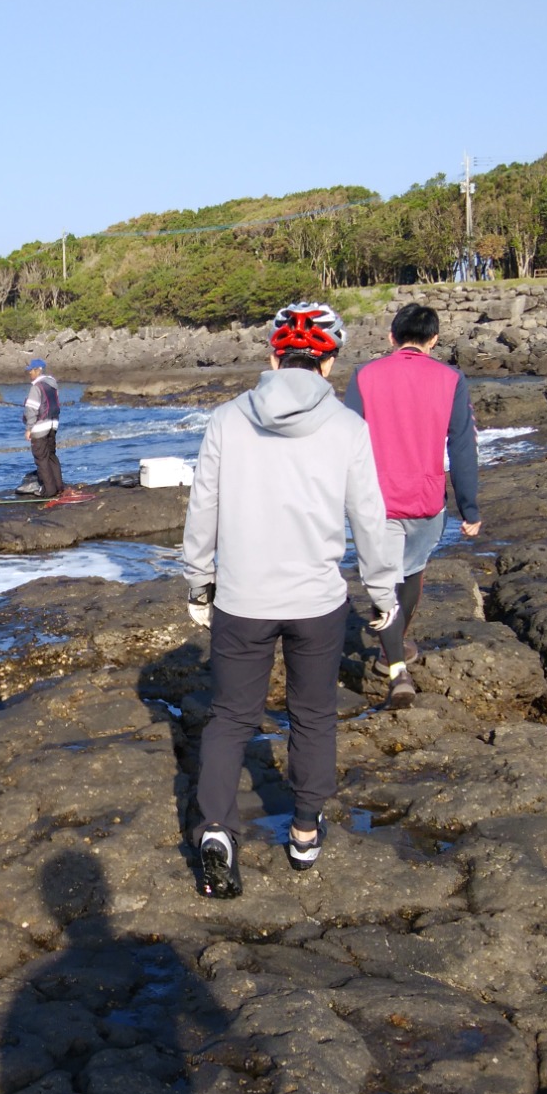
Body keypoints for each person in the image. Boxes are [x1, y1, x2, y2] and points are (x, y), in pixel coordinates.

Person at [182, 302, 401, 899]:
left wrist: (198, 580)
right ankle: (304, 831)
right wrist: (382, 590)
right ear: (329, 364)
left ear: (274, 357)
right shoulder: (348, 427)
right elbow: (370, 518)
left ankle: (216, 830)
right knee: (312, 714)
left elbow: (203, 507)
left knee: (230, 718)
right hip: (317, 602)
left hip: (242, 598)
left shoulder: (227, 419)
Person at [344, 303, 481, 710]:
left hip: (375, 499)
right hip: (426, 498)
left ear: (392, 337)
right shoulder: (451, 378)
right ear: (433, 340)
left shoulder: (364, 375)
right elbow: (463, 447)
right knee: (411, 573)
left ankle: (396, 665)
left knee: (382, 579)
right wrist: (470, 508)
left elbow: (345, 439)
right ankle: (395, 652)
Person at [23, 357, 69, 500]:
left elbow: (31, 410)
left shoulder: (36, 387)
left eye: (31, 370)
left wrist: (29, 429)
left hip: (40, 427)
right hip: (53, 425)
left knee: (41, 459)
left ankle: (49, 491)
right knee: (51, 456)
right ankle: (59, 486)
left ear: (38, 370)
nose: (29, 373)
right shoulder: (53, 385)